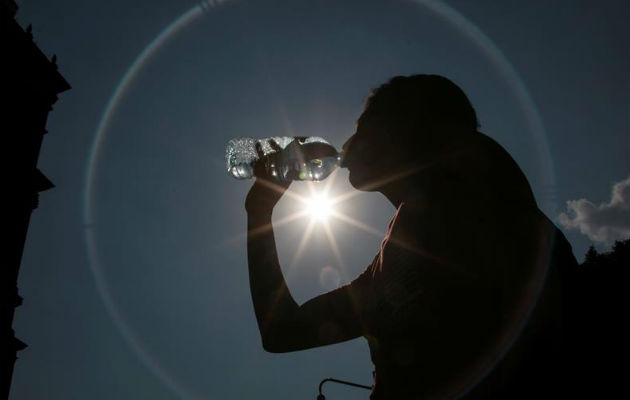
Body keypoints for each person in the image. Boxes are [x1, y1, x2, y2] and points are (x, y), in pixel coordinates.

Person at [244, 75, 577, 399]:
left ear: (403, 132)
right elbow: (282, 332)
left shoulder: (489, 202)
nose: (346, 145)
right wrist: (259, 214)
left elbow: (461, 141)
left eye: (362, 130)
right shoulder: (381, 277)